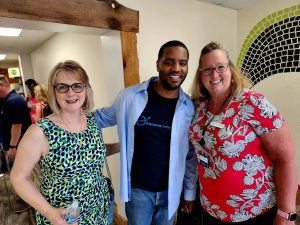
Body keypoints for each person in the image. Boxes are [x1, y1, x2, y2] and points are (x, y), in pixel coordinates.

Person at [189, 41, 297, 225]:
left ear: (231, 70)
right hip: (211, 210)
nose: (214, 74)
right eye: (207, 69)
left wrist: (286, 214)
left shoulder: (253, 102)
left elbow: (285, 158)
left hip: (254, 212)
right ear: (201, 75)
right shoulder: (197, 105)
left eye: (220, 67)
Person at [93, 40, 198, 225]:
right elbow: (102, 118)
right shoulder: (130, 96)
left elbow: (189, 154)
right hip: (138, 191)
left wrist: (189, 192)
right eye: (169, 62)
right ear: (158, 64)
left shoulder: (188, 106)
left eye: (182, 63)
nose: (176, 68)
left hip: (170, 191)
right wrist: (64, 118)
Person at [10, 60, 111, 225]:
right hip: (64, 217)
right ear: (54, 92)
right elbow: (18, 178)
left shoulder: (92, 120)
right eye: (62, 87)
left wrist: (123, 146)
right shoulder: (39, 132)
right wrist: (51, 214)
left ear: (86, 89)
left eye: (77, 85)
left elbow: (91, 154)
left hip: (98, 206)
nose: (71, 93)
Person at [0, 75, 31, 172]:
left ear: (0, 85)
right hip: (13, 145)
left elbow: (17, 126)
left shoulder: (13, 101)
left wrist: (12, 147)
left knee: (19, 174)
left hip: (18, 147)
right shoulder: (8, 100)